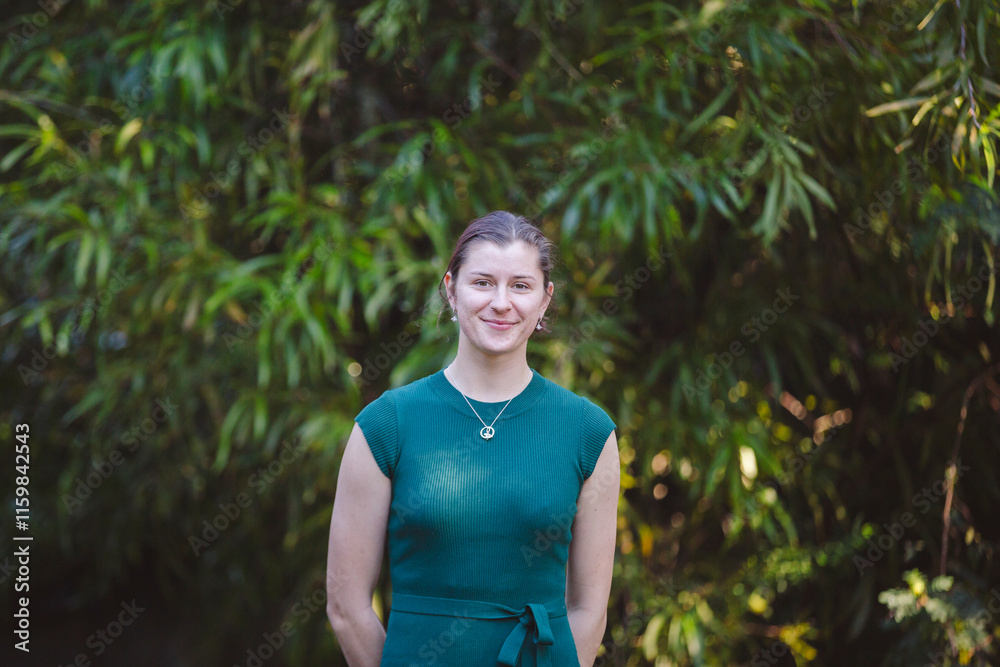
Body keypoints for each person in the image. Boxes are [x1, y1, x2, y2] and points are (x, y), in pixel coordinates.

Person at [325, 211, 620, 666]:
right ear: (451, 290)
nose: (501, 303)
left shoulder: (588, 432)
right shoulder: (386, 424)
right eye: (483, 282)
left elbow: (589, 611)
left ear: (545, 300)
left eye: (520, 286)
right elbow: (347, 607)